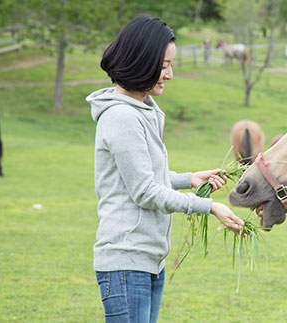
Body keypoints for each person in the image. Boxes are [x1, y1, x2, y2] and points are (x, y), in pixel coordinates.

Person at [85, 16, 244, 323]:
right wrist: (209, 206)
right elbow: (144, 192)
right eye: (165, 65)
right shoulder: (122, 117)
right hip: (126, 260)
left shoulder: (142, 111)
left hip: (148, 260)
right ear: (142, 61)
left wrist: (188, 179)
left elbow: (138, 178)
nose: (170, 74)